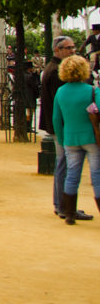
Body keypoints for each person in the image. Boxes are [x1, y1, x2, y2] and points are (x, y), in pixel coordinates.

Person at [41, 36, 93, 220]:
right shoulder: (56, 72)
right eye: (68, 48)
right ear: (57, 50)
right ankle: (62, 205)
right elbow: (62, 107)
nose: (72, 50)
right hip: (64, 129)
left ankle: (62, 205)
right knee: (65, 166)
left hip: (61, 128)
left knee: (64, 166)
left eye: (73, 47)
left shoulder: (53, 69)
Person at [52, 55, 100, 224]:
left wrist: (63, 138)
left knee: (71, 175)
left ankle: (69, 213)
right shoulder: (92, 91)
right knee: (97, 175)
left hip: (70, 139)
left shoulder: (61, 92)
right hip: (91, 138)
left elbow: (56, 119)